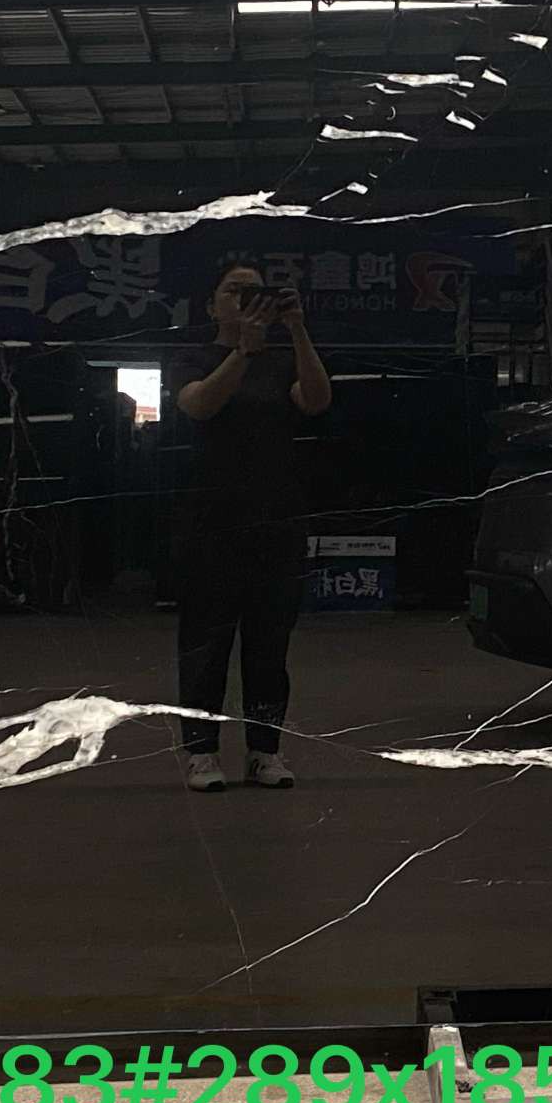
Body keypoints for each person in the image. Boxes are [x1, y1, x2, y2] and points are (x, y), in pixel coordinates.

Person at [169, 263, 333, 791]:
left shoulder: (282, 361)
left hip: (277, 519)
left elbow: (317, 400)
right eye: (233, 291)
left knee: (270, 644)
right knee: (205, 644)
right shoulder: (193, 358)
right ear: (212, 305)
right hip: (210, 522)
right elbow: (200, 405)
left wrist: (297, 329)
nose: (244, 299)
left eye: (254, 291)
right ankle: (201, 753)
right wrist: (243, 351)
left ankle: (265, 751)